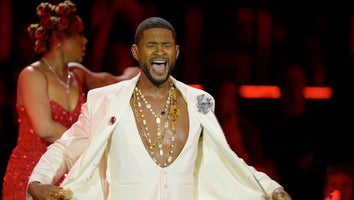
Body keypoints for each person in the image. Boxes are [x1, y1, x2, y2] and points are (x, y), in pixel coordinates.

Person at [26, 16, 292, 200]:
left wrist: (271, 189)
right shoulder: (106, 100)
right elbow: (66, 148)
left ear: (176, 52)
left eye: (166, 45)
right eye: (151, 45)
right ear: (135, 51)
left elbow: (229, 159)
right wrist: (37, 182)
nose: (159, 52)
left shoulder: (198, 102)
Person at [2, 1, 139, 199]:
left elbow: (114, 82)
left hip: (69, 172)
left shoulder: (76, 74)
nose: (85, 41)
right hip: (31, 173)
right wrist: (94, 143)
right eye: (79, 35)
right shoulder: (32, 75)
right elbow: (45, 129)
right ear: (60, 40)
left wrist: (136, 74)